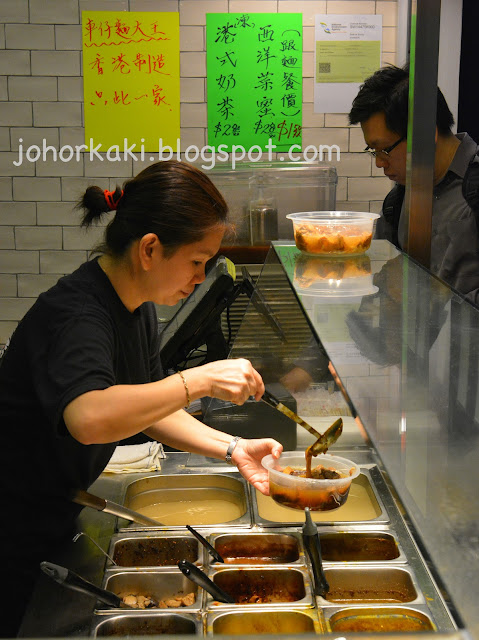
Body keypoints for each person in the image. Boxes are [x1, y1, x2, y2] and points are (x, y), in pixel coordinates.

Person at [0, 159, 282, 637]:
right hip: (12, 528)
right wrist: (200, 379)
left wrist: (232, 449)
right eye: (197, 261)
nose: (201, 275)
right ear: (150, 249)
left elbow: (153, 413)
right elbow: (88, 417)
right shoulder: (78, 315)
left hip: (53, 511)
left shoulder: (135, 308)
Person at [349, 64, 479, 304]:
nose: (379, 163)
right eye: (373, 150)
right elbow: (385, 282)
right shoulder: (398, 201)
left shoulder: (473, 190)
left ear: (426, 135)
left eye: (384, 149)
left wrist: (434, 298)